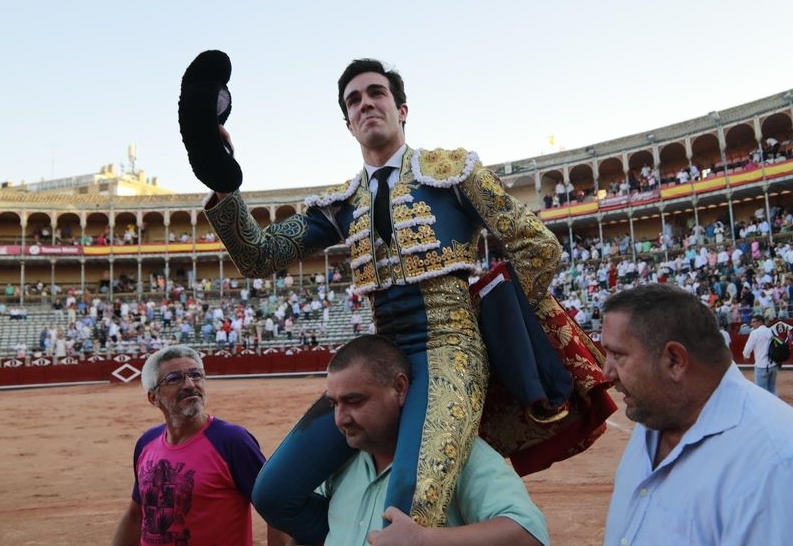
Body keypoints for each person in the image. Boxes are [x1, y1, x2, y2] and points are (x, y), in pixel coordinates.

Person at [179, 52, 610, 544]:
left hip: (452, 352)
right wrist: (222, 178)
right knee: (273, 492)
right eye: (354, 101)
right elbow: (259, 256)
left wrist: (494, 320)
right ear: (348, 123)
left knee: (408, 506)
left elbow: (538, 245)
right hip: (381, 361)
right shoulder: (341, 203)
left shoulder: (454, 172)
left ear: (402, 109)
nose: (366, 104)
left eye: (376, 93)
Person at [282, 335, 549, 546]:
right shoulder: (337, 460)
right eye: (334, 404)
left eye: (355, 401)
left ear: (399, 388)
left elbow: (529, 533)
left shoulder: (455, 450)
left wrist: (425, 540)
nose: (341, 419)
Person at [601, 284, 793, 545]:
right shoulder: (658, 411)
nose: (607, 373)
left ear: (674, 360)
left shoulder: (776, 463)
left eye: (618, 355)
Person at [112, 345, 266, 546]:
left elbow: (276, 510)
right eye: (174, 379)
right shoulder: (146, 443)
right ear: (153, 397)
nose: (190, 384)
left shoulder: (232, 441)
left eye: (196, 375)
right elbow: (136, 514)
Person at [742, 313, 777, 395]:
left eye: (753, 322)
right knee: (772, 389)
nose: (751, 324)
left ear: (760, 322)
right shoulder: (771, 331)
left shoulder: (755, 333)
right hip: (773, 365)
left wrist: (746, 356)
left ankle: (765, 407)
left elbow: (748, 347)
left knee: (761, 392)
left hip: (761, 366)